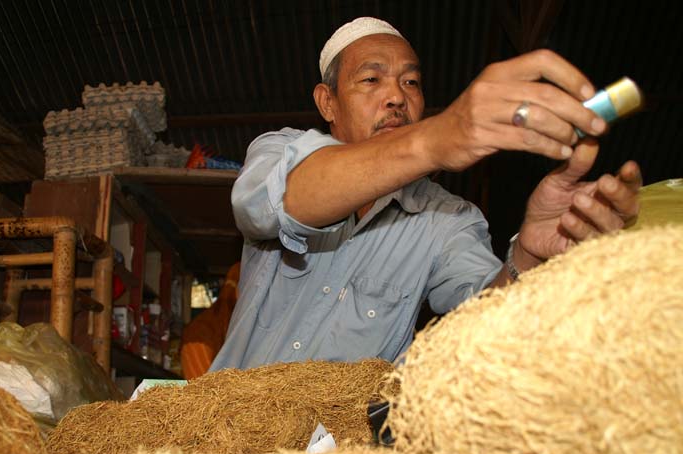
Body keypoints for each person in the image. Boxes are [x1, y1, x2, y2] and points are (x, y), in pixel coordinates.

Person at [209, 17, 641, 371]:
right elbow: (277, 203)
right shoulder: (279, 152)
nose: (396, 96)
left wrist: (528, 257)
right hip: (229, 433)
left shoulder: (447, 219)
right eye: (371, 79)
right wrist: (433, 141)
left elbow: (487, 323)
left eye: (411, 83)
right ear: (328, 102)